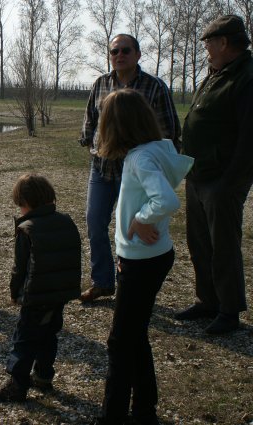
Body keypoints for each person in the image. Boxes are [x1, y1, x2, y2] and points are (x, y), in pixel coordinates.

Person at [90, 89, 193, 425]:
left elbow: (165, 200)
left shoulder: (139, 158)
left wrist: (139, 219)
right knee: (135, 334)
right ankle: (144, 410)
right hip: (147, 256)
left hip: (143, 261)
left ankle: (113, 416)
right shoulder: (156, 148)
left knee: (120, 342)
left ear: (117, 125)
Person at [79, 34, 181, 303]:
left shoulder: (154, 86)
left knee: (133, 228)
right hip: (101, 168)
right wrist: (90, 143)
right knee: (95, 222)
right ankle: (102, 281)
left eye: (125, 50)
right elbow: (90, 120)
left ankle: (134, 282)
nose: (119, 55)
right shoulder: (100, 84)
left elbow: (169, 130)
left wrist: (146, 156)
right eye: (114, 51)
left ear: (137, 54)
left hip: (134, 170)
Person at [175, 15, 253, 335]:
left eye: (208, 41)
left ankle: (229, 310)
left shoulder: (246, 77)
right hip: (198, 174)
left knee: (223, 245)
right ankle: (207, 301)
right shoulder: (216, 74)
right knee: (200, 242)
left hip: (222, 179)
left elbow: (249, 139)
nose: (205, 47)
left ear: (224, 42)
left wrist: (228, 182)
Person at [0, 174, 81, 402]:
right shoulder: (66, 221)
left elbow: (19, 268)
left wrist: (15, 293)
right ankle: (44, 376)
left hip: (36, 297)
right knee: (49, 334)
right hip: (60, 293)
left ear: (25, 204)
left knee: (24, 340)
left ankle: (17, 385)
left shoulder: (27, 229)